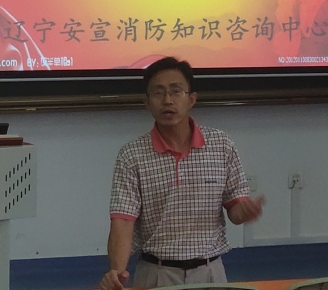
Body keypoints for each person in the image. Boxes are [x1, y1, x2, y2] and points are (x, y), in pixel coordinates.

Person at [100, 57, 264, 290]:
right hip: (156, 273)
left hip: (210, 272)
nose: (167, 100)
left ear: (192, 99)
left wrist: (245, 211)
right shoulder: (131, 155)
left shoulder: (222, 145)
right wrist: (117, 271)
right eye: (158, 93)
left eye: (176, 91)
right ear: (147, 103)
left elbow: (235, 211)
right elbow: (123, 221)